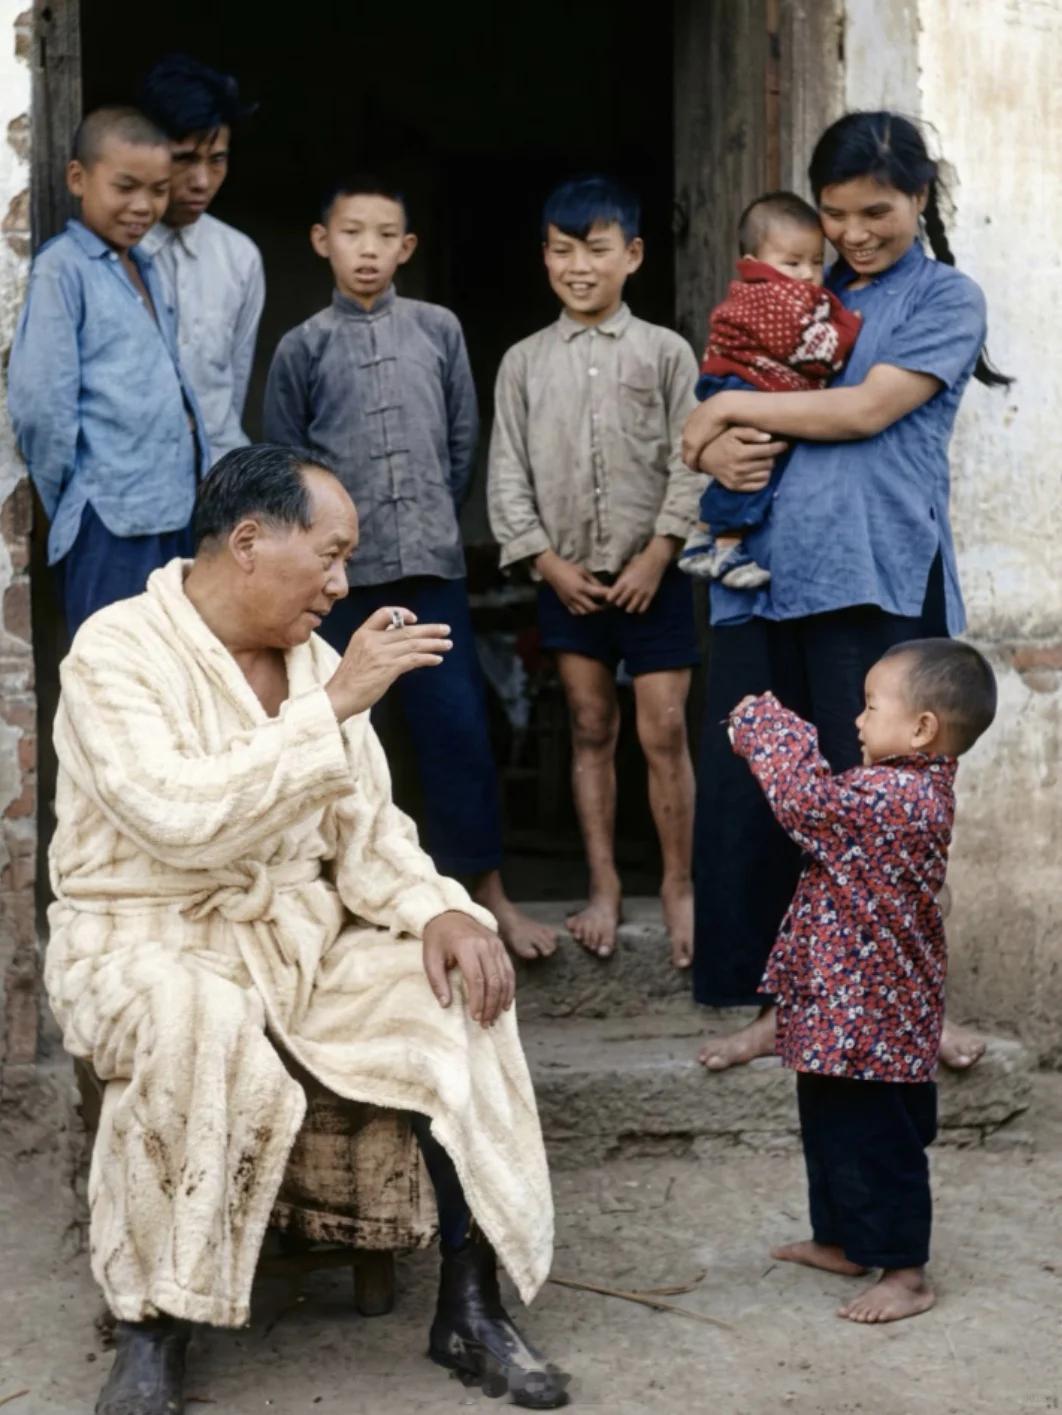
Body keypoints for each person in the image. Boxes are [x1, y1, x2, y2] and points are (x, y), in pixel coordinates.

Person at [47, 445, 569, 1414]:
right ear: (249, 541)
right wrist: (328, 707)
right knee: (193, 1013)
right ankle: (155, 1324)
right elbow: (175, 813)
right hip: (144, 940)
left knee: (456, 994)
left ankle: (469, 1302)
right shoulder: (115, 651)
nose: (341, 583)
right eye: (329, 556)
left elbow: (369, 834)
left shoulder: (315, 662)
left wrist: (440, 907)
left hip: (296, 945)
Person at [682, 111, 1010, 1070]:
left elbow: (869, 407)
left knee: (882, 809)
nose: (855, 233)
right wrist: (714, 438)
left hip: (873, 572)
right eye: (836, 215)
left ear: (919, 199)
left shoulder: (947, 298)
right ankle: (778, 1007)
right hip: (766, 572)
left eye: (877, 211)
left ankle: (918, 1009)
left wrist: (736, 408)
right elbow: (700, 415)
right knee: (762, 798)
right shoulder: (795, 293)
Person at [263, 177, 555, 961]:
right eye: (350, 233)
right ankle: (347, 903)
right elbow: (287, 465)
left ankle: (483, 892)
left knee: (455, 728)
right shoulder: (303, 346)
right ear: (322, 240)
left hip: (429, 566)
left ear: (407, 247)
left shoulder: (438, 330)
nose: (367, 249)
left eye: (383, 234)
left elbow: (463, 442)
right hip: (339, 582)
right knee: (350, 736)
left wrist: (422, 519)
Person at [728, 638, 997, 1322]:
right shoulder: (896, 787)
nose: (857, 719)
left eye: (872, 705)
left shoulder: (897, 797)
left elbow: (803, 799)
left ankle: (905, 1270)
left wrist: (766, 727)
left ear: (922, 729)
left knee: (877, 1139)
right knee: (828, 1123)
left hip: (871, 1016)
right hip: (842, 1010)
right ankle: (844, 1238)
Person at [488, 175, 703, 967]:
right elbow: (506, 471)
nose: (579, 266)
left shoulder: (666, 353)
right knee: (589, 727)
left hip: (656, 574)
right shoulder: (523, 363)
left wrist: (660, 551)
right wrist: (546, 561)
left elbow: (695, 459)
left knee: (665, 729)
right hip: (566, 579)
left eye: (597, 249)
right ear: (545, 256)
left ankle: (678, 882)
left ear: (633, 255)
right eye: (562, 250)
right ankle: (606, 885)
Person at [7, 107, 207, 637]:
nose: (144, 206)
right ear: (79, 178)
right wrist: (79, 498)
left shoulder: (143, 266)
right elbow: (40, 407)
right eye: (126, 187)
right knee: (112, 675)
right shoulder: (63, 267)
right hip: (109, 521)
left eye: (159, 190)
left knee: (173, 669)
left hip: (172, 512)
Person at [678, 191, 862, 587]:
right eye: (792, 262)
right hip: (744, 383)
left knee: (746, 456)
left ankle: (701, 536)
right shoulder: (770, 297)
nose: (807, 275)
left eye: (816, 261)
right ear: (753, 264)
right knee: (758, 458)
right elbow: (813, 352)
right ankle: (726, 547)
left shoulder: (781, 292)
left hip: (744, 384)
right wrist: (849, 327)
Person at [139, 53, 265, 465]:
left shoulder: (240, 257)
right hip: (129, 497)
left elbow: (233, 391)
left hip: (215, 491)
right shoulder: (109, 255)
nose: (202, 181)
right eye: (185, 159)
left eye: (217, 160)